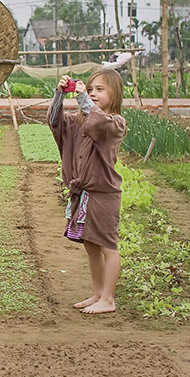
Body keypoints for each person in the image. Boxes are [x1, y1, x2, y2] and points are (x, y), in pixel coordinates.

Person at [47, 70, 126, 314]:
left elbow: (98, 122)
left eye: (100, 89)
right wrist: (59, 94)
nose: (93, 93)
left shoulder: (115, 123)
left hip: (103, 195)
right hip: (83, 195)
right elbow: (55, 122)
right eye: (90, 89)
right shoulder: (79, 121)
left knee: (107, 246)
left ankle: (109, 300)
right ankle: (98, 294)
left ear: (115, 95)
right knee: (91, 245)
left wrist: (83, 100)